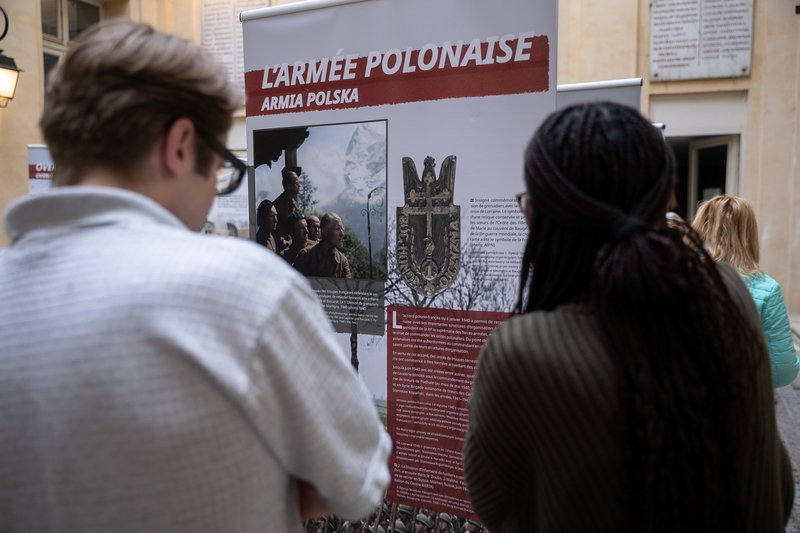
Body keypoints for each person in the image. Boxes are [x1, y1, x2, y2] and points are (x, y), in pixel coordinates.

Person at [0, 20, 391, 532]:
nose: (213, 192)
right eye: (220, 167)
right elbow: (360, 480)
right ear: (180, 145)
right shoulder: (247, 290)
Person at [462, 102, 793, 533]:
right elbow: (779, 487)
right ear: (665, 201)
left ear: (540, 214)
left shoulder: (521, 352)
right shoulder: (727, 292)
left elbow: (495, 507)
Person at [692, 195, 800, 388]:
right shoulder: (767, 288)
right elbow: (782, 372)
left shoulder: (676, 275)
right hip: (737, 401)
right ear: (749, 235)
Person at [294, 212, 352, 278]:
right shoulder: (307, 255)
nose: (342, 233)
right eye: (338, 229)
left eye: (342, 229)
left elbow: (348, 286)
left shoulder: (342, 261)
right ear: (325, 231)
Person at [274, 167, 301, 240]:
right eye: (296, 183)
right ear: (289, 186)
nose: (299, 185)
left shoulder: (295, 204)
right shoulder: (277, 205)